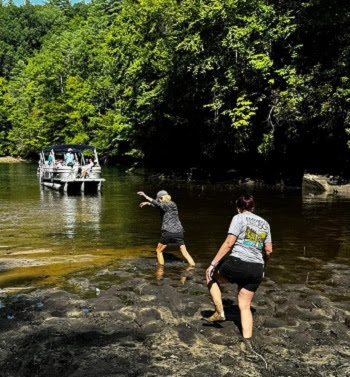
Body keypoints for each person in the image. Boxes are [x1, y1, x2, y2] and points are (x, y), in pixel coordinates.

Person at [205, 194, 272, 345]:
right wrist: (263, 267)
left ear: (238, 208)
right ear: (253, 207)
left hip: (237, 263)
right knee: (245, 306)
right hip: (256, 268)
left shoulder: (238, 218)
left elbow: (229, 243)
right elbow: (268, 251)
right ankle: (248, 342)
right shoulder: (265, 223)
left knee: (210, 275)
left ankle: (219, 312)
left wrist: (213, 264)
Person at [137, 190, 195, 266]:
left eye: (159, 199)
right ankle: (193, 266)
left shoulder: (165, 205)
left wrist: (145, 196)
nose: (158, 201)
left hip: (168, 232)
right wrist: (148, 203)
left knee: (158, 251)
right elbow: (159, 206)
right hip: (179, 232)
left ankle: (160, 270)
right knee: (184, 252)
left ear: (161, 198)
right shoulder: (172, 204)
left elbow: (158, 204)